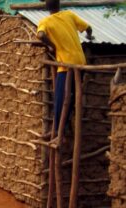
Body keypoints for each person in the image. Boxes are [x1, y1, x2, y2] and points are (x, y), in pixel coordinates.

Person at [37, 0, 94, 137]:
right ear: (59, 5)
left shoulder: (46, 21)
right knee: (72, 96)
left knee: (61, 98)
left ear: (46, 7)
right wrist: (89, 36)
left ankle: (58, 129)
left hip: (66, 66)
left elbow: (40, 35)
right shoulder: (69, 15)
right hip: (80, 63)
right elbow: (88, 27)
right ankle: (66, 124)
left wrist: (52, 46)